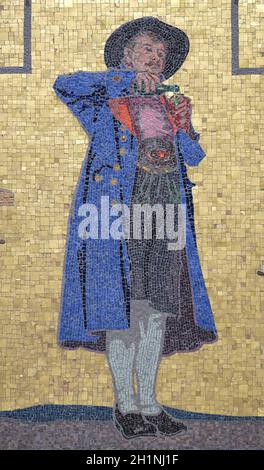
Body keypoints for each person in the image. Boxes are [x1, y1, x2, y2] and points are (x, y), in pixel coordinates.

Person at [53, 17, 218, 440]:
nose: (156, 57)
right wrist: (126, 79)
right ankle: (126, 405)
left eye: (161, 54)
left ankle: (150, 403)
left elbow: (193, 156)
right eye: (147, 49)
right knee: (121, 313)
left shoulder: (169, 102)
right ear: (127, 55)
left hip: (164, 214)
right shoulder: (104, 96)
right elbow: (64, 83)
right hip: (114, 218)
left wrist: (184, 124)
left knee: (156, 312)